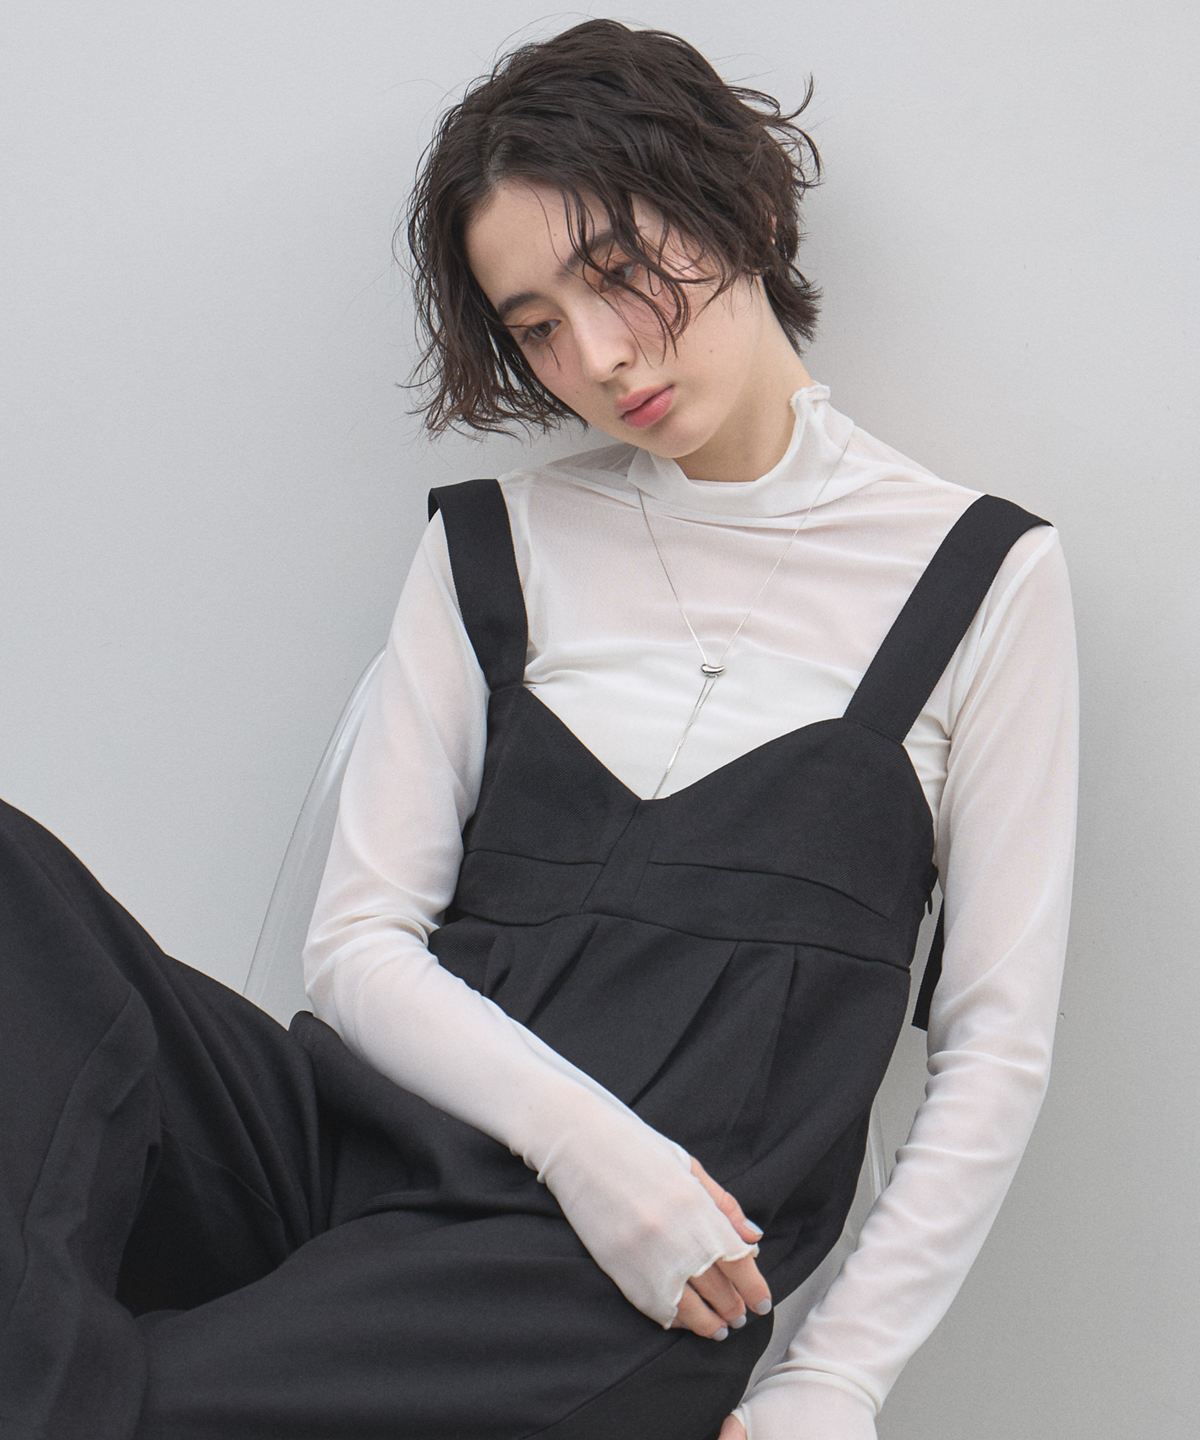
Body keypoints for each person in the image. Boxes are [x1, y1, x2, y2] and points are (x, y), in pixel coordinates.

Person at [0, 17, 1078, 1440]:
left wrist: (836, 1379)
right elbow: (361, 943)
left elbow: (994, 1046)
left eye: (618, 271)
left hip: (618, 1283)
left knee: (151, 1408)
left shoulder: (982, 578)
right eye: (537, 326)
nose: (599, 355)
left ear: (746, 210)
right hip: (357, 1151)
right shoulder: (496, 542)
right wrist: (591, 1150)